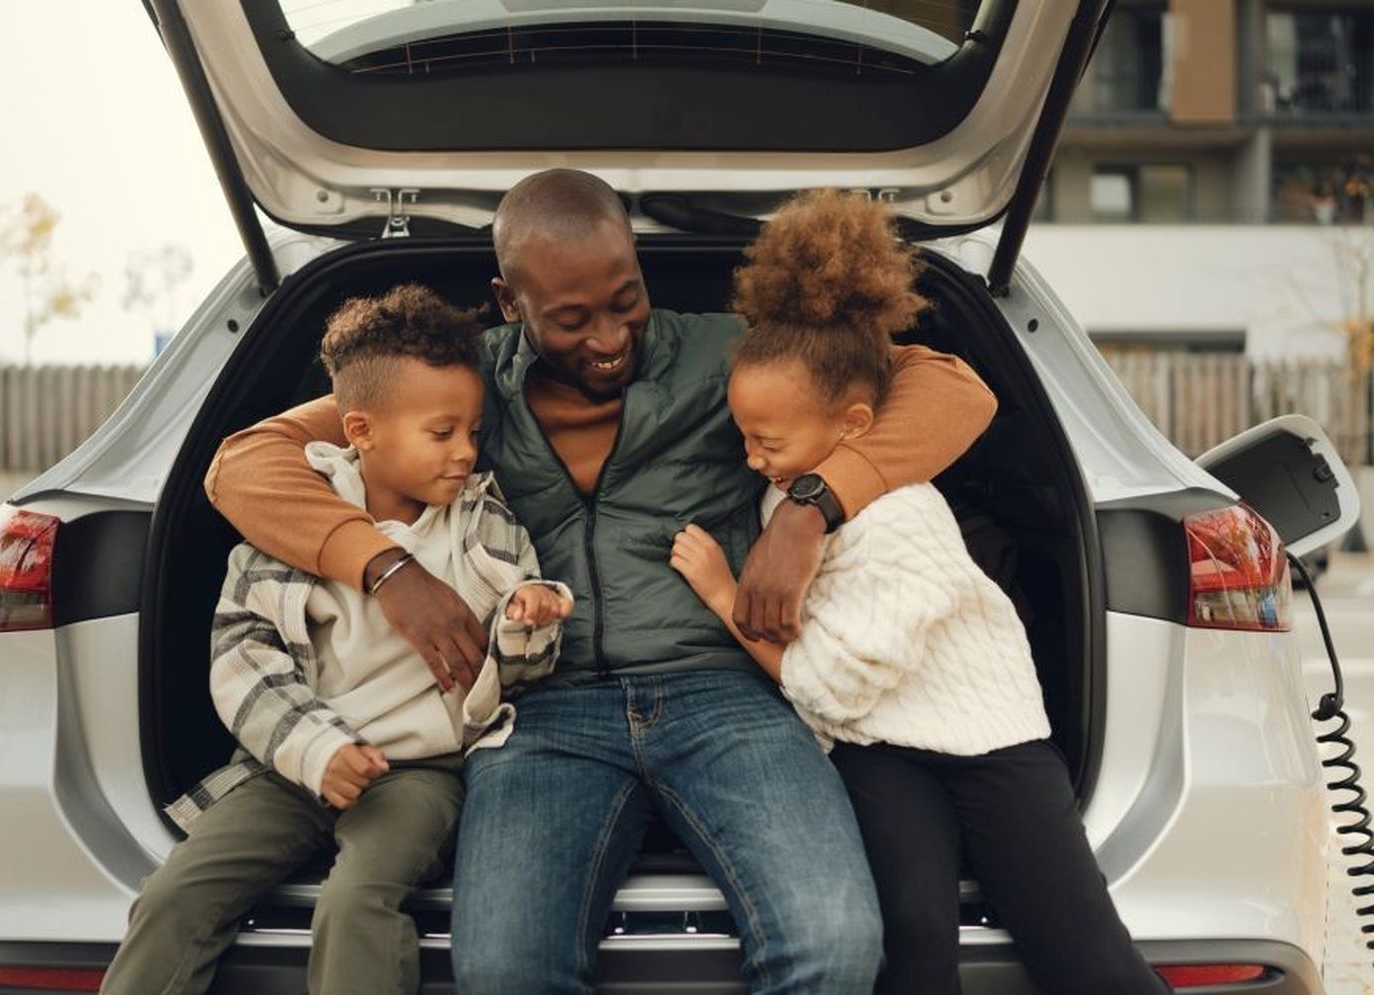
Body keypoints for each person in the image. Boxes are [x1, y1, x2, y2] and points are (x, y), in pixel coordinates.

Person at [203, 168, 998, 993]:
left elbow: (953, 388)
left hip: (724, 693)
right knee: (507, 970)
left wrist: (811, 507)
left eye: (626, 299)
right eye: (572, 319)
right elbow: (242, 465)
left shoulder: (728, 356)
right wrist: (387, 567)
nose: (611, 335)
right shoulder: (457, 387)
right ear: (510, 304)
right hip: (540, 713)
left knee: (834, 943)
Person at [670, 189, 1170, 995]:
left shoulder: (903, 517)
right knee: (911, 934)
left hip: (986, 740)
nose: (753, 457)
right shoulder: (783, 452)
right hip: (879, 744)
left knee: (1082, 952)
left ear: (857, 423)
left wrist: (727, 596)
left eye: (768, 441)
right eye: (744, 438)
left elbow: (832, 683)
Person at [102, 283, 572, 995]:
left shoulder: (483, 520)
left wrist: (527, 620)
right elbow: (241, 656)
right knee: (175, 893)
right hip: (288, 767)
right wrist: (318, 749)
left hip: (420, 772)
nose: (464, 452)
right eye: (442, 433)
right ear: (359, 431)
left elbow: (518, 664)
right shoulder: (293, 521)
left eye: (473, 432)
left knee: (357, 898)